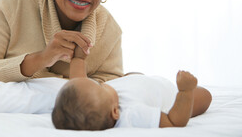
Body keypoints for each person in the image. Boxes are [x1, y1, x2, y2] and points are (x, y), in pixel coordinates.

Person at [52, 55, 212, 130]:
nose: (99, 83)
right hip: (171, 97)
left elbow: (78, 79)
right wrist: (185, 91)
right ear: (115, 112)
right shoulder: (131, 114)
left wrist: (79, 56)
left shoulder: (101, 99)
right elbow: (173, 122)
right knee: (205, 96)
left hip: (141, 83)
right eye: (100, 86)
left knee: (131, 75)